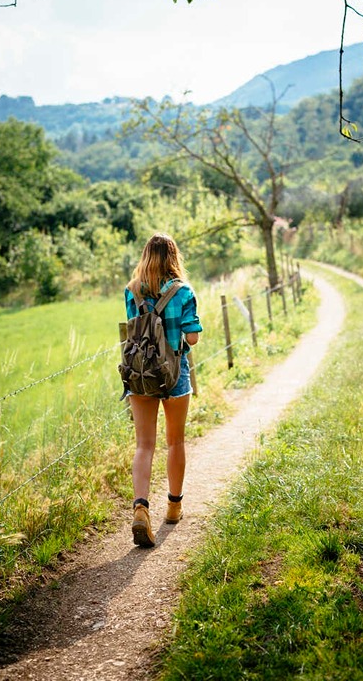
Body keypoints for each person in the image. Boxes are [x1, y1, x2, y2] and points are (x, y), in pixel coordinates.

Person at [124, 232, 202, 548]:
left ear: (145, 257)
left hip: (140, 373)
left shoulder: (132, 291)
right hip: (173, 375)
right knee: (175, 441)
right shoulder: (183, 292)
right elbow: (192, 338)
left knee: (144, 445)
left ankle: (141, 508)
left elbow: (134, 328)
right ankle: (173, 507)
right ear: (174, 258)